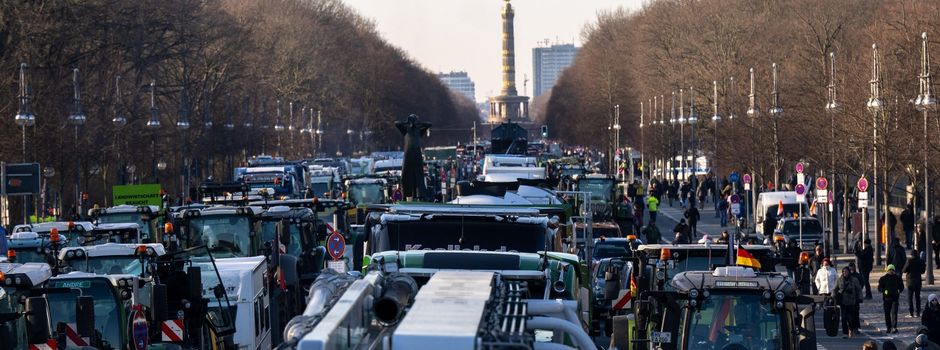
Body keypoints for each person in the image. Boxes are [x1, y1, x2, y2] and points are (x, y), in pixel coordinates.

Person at [834, 266, 862, 338]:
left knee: (851, 318)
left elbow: (859, 289)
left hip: (852, 302)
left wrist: (860, 298)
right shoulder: (839, 280)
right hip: (843, 302)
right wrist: (833, 296)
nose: (844, 273)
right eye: (843, 272)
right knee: (843, 318)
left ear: (849, 272)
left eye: (846, 271)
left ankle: (851, 329)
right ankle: (845, 333)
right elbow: (835, 289)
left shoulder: (854, 280)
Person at [878, 264, 905, 334]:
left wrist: (899, 290)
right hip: (886, 298)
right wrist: (884, 291)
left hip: (895, 298)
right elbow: (880, 287)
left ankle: (894, 327)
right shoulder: (883, 278)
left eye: (892, 270)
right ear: (887, 270)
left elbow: (901, 286)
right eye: (890, 270)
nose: (891, 271)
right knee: (887, 314)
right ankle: (888, 327)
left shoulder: (898, 278)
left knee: (894, 313)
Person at [905, 250, 927, 317]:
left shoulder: (909, 261)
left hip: (910, 282)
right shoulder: (920, 261)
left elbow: (904, 270)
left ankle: (911, 313)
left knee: (910, 298)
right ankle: (918, 313)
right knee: (918, 298)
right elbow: (923, 271)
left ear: (911, 255)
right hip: (918, 281)